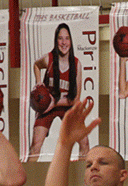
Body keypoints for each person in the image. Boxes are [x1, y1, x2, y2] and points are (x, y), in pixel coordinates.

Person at [29, 23, 89, 161]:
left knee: (84, 143)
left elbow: (76, 99)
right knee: (35, 146)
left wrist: (54, 103)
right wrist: (39, 82)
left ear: (71, 41)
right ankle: (27, 181)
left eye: (67, 38)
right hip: (47, 107)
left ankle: (83, 180)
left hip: (67, 106)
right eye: (60, 38)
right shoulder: (48, 59)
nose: (64, 42)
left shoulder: (76, 64)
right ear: (56, 41)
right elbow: (36, 65)